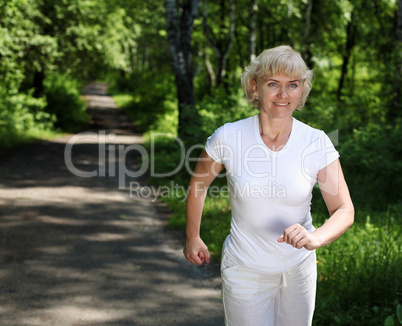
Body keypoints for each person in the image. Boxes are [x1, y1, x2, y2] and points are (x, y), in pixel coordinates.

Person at [183, 45, 354, 326]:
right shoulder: (228, 137)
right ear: (255, 86)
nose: (283, 94)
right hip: (244, 270)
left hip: (298, 271)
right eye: (273, 84)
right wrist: (192, 235)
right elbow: (198, 187)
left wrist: (316, 238)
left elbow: (345, 209)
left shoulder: (316, 143)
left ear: (302, 91)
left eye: (293, 85)